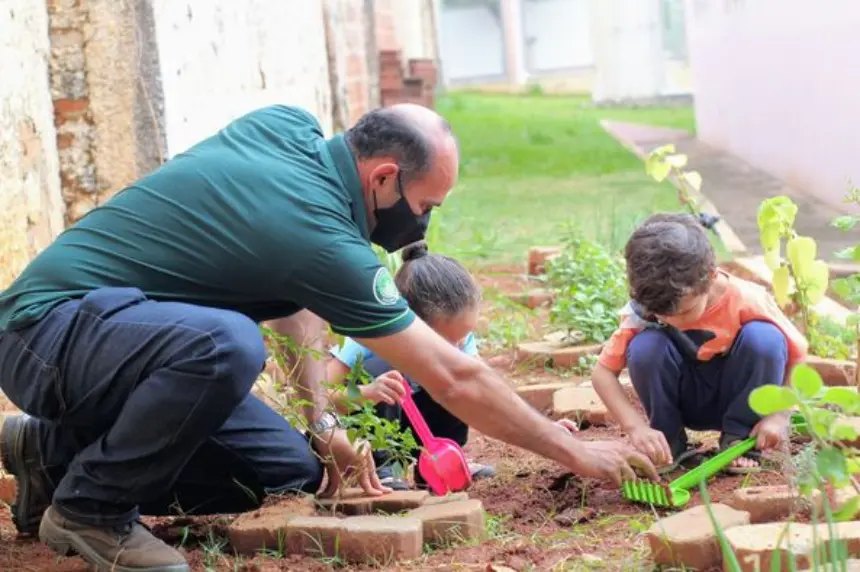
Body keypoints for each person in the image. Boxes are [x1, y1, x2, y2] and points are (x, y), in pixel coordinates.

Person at [0, 102, 656, 572]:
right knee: (227, 345)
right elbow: (452, 376)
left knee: (290, 474)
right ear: (382, 177)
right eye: (425, 205)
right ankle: (92, 507)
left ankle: (51, 455)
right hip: (44, 332)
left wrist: (322, 425)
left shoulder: (289, 129)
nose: (421, 228)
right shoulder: (319, 237)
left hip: (123, 347)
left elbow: (293, 294)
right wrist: (576, 456)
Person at [592, 212, 808, 475]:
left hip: (739, 395)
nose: (674, 321)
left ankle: (738, 439)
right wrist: (635, 427)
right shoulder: (646, 308)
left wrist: (779, 415)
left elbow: (798, 355)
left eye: (684, 312)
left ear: (710, 276)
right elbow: (602, 372)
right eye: (662, 315)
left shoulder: (747, 298)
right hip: (685, 398)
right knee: (645, 347)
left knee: (765, 339)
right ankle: (668, 442)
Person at [327, 240, 495, 490]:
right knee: (388, 382)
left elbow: (486, 389)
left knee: (460, 381)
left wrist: (537, 428)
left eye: (462, 338)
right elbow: (322, 398)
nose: (456, 348)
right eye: (447, 341)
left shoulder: (458, 338)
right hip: (369, 431)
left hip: (418, 424)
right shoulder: (366, 338)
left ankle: (440, 459)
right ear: (408, 324)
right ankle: (384, 467)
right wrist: (366, 394)